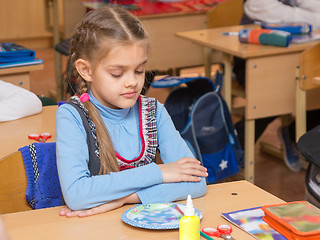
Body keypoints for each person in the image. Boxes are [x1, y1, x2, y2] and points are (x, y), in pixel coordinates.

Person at [56, 6, 208, 218]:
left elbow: (197, 182)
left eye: (139, 70)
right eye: (117, 74)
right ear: (86, 70)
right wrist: (158, 172)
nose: (133, 82)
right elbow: (77, 195)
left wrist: (123, 199)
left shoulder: (154, 112)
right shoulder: (72, 116)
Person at [234, 0, 320, 172]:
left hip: (300, 58)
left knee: (314, 93)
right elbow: (260, 7)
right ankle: (233, 151)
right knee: (271, 97)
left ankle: (294, 133)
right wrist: (307, 19)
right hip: (254, 60)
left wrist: (298, 16)